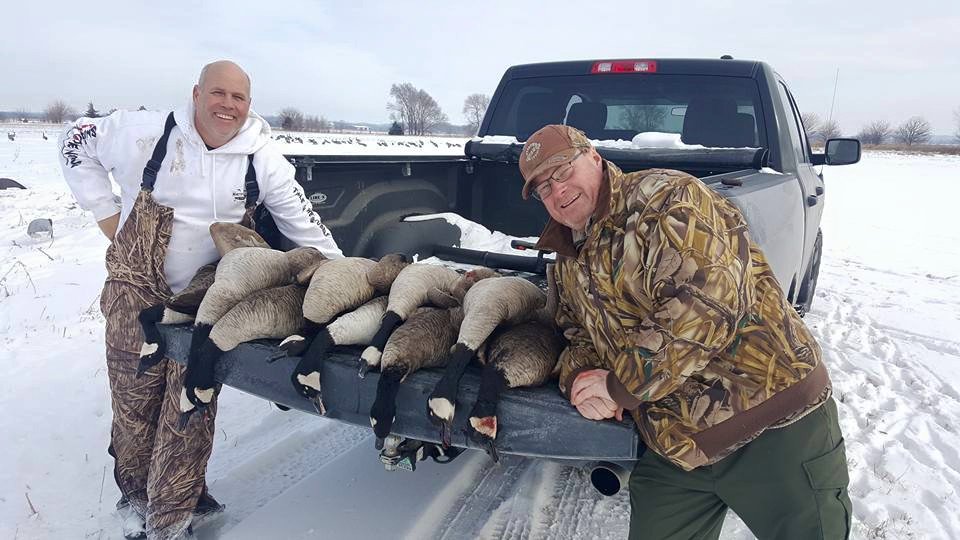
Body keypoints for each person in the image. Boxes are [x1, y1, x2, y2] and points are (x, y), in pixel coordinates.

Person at [519, 125, 851, 539]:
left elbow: (707, 302)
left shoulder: (667, 200)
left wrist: (620, 387)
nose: (557, 190)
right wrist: (581, 378)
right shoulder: (570, 254)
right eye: (543, 187)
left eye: (563, 171)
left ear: (594, 158)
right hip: (677, 447)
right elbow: (576, 331)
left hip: (772, 425)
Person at [58, 60, 343, 540]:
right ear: (196, 93)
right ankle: (135, 501)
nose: (227, 106)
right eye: (218, 93)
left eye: (239, 98)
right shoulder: (141, 132)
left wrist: (345, 276)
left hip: (206, 297)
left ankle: (174, 514)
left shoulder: (261, 157)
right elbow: (73, 141)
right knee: (134, 407)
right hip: (136, 290)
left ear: (249, 105)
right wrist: (105, 212)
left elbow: (302, 222)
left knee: (191, 405)